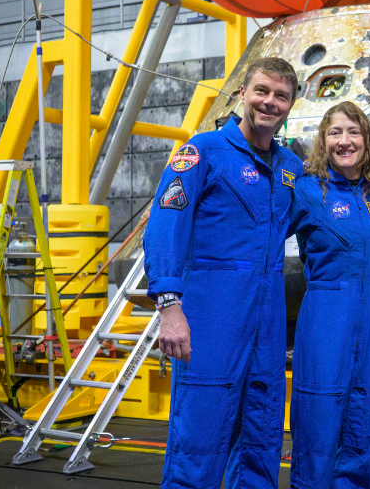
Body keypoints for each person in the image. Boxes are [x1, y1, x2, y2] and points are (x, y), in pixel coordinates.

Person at [144, 58, 304, 489]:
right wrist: (169, 306)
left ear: (291, 104)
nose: (269, 102)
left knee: (261, 434)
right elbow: (165, 226)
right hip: (212, 314)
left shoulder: (291, 168)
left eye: (280, 96)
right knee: (200, 435)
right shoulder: (203, 151)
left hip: (267, 322)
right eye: (262, 91)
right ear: (243, 94)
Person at [287, 102, 370, 489]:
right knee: (318, 423)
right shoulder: (307, 190)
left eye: (354, 132)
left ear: (367, 139)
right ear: (323, 140)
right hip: (326, 318)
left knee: (365, 425)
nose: (345, 141)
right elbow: (257, 232)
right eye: (335, 133)